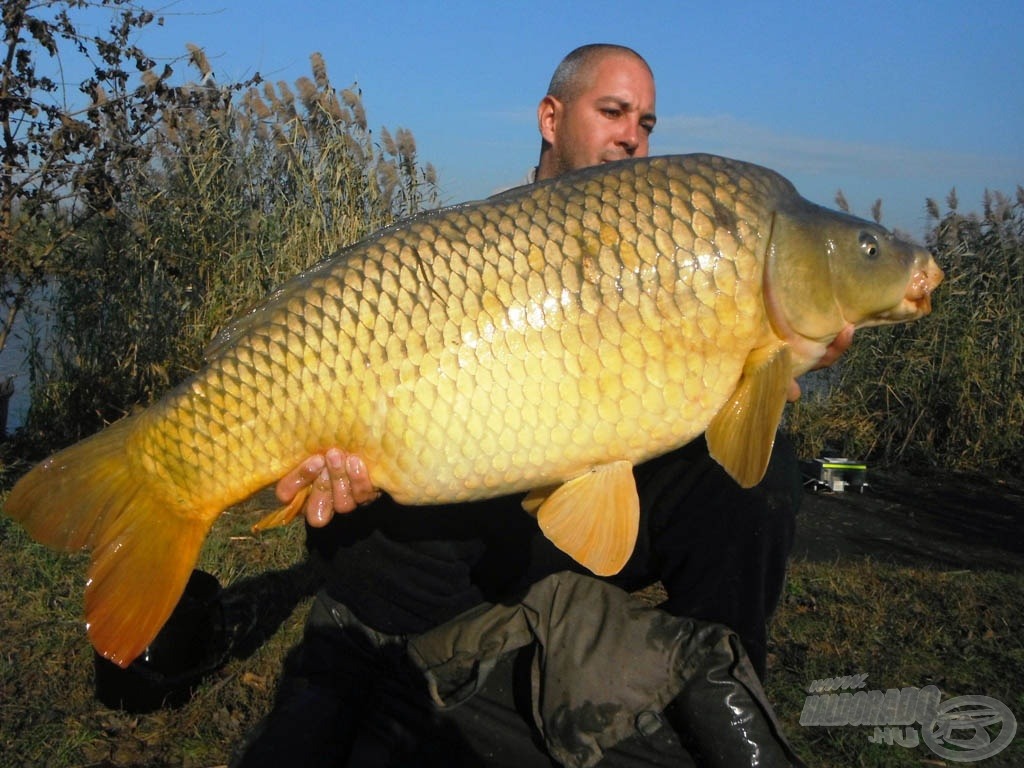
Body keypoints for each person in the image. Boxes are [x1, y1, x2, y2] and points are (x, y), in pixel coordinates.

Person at [235, 44, 847, 768]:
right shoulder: (480, 244)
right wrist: (350, 463)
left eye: (646, 122)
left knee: (763, 470)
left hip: (588, 497)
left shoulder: (675, 243)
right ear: (550, 119)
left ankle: (718, 675)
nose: (633, 136)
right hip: (478, 515)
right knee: (386, 539)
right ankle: (392, 648)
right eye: (613, 112)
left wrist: (766, 373)